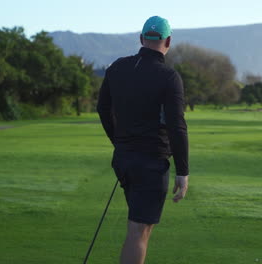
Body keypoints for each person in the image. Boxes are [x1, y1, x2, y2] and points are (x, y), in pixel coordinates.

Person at [97, 16, 189, 264]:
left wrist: (118, 141)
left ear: (141, 39)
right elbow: (176, 126)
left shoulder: (117, 67)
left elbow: (103, 109)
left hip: (124, 160)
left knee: (137, 227)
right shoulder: (169, 77)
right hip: (151, 164)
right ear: (168, 41)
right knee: (140, 231)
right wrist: (183, 171)